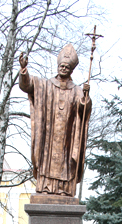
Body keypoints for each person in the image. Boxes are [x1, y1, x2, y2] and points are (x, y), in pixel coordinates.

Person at [19, 44, 92, 197]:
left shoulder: (77, 90)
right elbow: (28, 86)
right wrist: (24, 71)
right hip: (49, 135)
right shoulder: (45, 85)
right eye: (61, 66)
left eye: (66, 67)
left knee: (65, 164)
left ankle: (64, 189)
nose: (63, 68)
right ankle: (46, 187)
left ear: (71, 70)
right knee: (47, 160)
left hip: (67, 137)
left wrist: (85, 97)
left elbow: (83, 109)